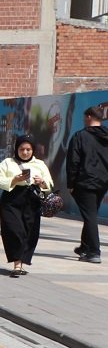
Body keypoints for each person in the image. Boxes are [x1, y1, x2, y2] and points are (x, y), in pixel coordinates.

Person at [0, 137, 55, 276]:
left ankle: (21, 263)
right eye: (22, 149)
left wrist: (42, 182)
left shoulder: (39, 164)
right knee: (14, 230)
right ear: (16, 149)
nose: (25, 152)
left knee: (30, 232)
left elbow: (50, 184)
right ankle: (17, 264)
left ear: (33, 150)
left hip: (32, 200)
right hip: (11, 200)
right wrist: (14, 179)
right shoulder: (8, 163)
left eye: (28, 149)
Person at [66, 103, 108, 264]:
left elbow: (73, 161)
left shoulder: (80, 136)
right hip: (103, 182)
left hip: (85, 182)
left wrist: (71, 182)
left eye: (84, 117)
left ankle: (94, 252)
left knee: (90, 216)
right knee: (90, 214)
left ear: (89, 117)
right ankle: (84, 247)